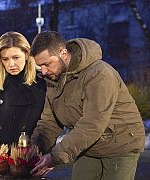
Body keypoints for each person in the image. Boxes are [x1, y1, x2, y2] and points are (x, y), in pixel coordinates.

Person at [29, 31, 146, 180]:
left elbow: (91, 124)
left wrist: (55, 156)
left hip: (120, 143)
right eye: (40, 66)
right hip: (89, 145)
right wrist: (36, 147)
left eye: (46, 64)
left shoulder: (99, 74)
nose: (44, 71)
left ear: (63, 53)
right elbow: (49, 122)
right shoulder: (54, 80)